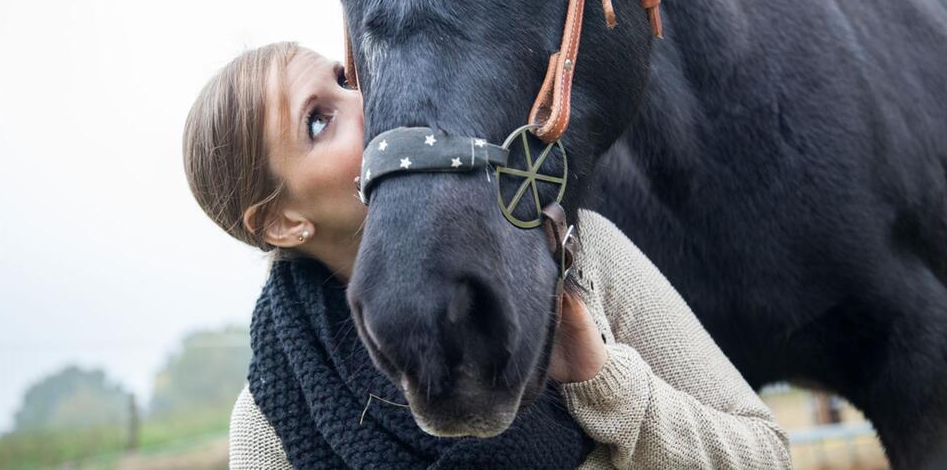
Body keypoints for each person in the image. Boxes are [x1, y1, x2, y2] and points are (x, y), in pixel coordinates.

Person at [183, 42, 792, 469]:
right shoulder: (275, 423)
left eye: (346, 78)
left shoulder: (573, 254)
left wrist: (603, 384)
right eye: (318, 122)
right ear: (284, 222)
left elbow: (766, 456)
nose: (367, 102)